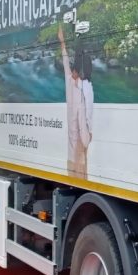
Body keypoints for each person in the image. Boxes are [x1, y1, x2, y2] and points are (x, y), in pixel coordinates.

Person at [58, 24, 93, 178]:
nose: (72, 72)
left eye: (75, 71)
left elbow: (87, 121)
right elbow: (65, 60)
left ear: (79, 72)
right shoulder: (71, 82)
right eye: (73, 70)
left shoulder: (84, 89)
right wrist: (62, 42)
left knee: (80, 177)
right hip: (72, 155)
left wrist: (86, 139)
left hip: (79, 155)